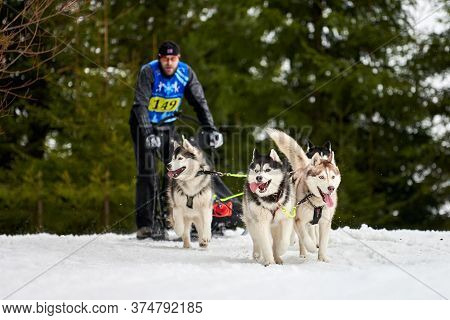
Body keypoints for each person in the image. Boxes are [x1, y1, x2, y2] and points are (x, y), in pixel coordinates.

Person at [129, 40, 223, 240]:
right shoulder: (149, 72)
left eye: (173, 59)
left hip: (167, 127)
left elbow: (199, 103)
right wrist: (148, 134)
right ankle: (147, 225)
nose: (169, 63)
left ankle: (176, 218)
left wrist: (211, 129)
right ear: (159, 59)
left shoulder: (186, 73)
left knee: (177, 169)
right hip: (142, 126)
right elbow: (140, 105)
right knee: (148, 172)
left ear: (178, 59)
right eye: (165, 59)